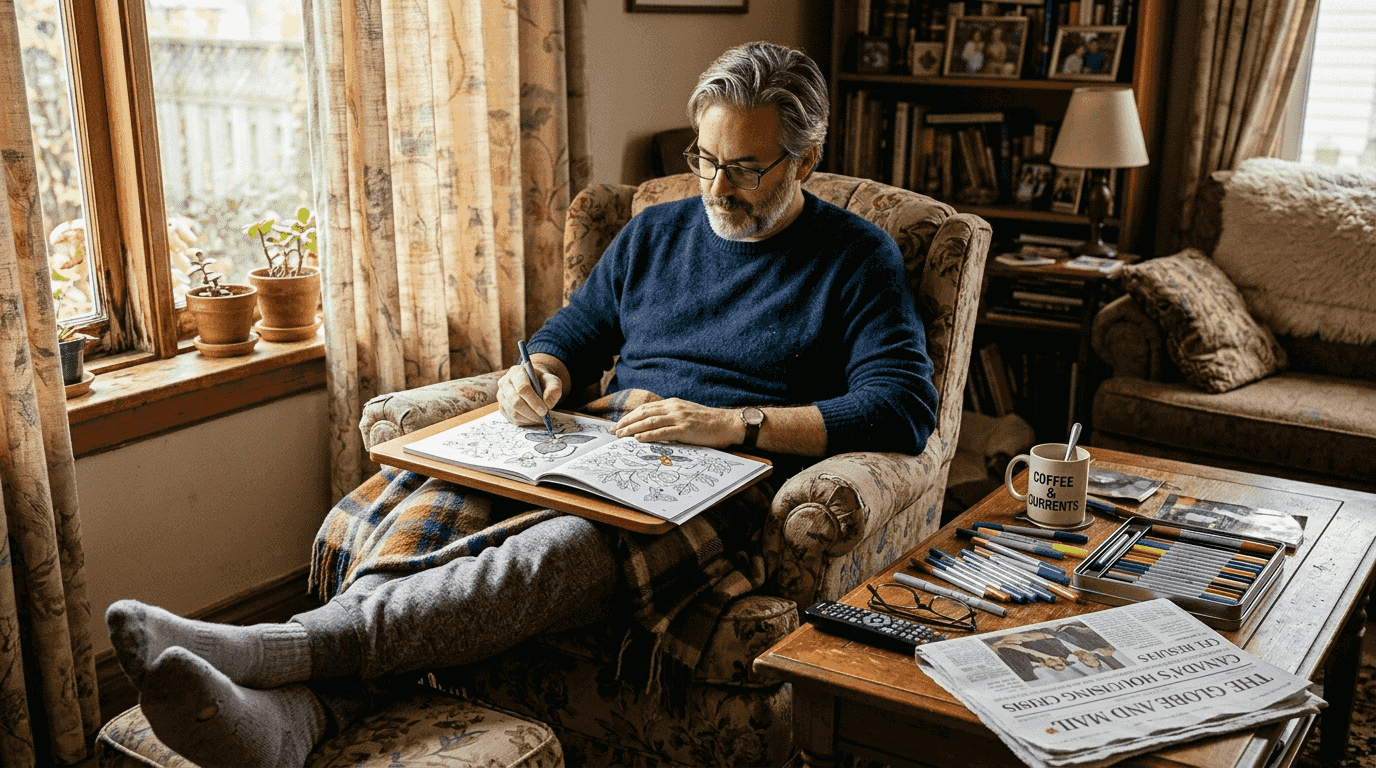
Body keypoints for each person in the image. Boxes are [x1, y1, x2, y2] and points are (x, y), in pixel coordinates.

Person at [104, 41, 940, 768]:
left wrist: (738, 424)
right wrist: (537, 371)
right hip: (595, 444)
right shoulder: (655, 231)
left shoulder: (855, 258)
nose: (719, 187)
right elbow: (575, 330)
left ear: (805, 159)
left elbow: (901, 407)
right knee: (418, 508)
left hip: (712, 480)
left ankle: (271, 652)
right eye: (706, 159)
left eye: (747, 169)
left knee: (547, 558)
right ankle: (298, 722)